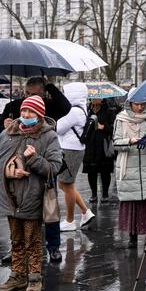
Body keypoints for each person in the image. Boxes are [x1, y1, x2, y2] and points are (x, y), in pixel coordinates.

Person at [0, 95, 63, 291]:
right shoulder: (7, 134)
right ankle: (17, 275)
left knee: (33, 240)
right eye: (23, 111)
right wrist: (11, 171)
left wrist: (34, 158)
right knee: (16, 239)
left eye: (31, 112)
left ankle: (35, 277)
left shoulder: (48, 136)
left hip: (32, 197)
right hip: (10, 197)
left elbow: (54, 168)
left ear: (39, 115)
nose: (26, 115)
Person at [113, 98, 146, 248]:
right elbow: (115, 142)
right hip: (128, 168)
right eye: (136, 104)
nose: (139, 107)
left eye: (142, 104)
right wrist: (130, 141)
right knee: (131, 203)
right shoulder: (120, 119)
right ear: (130, 104)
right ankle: (132, 236)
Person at [57, 82, 95, 232]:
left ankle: (70, 220)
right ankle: (86, 212)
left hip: (71, 150)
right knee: (65, 184)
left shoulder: (74, 111)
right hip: (71, 149)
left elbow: (58, 128)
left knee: (66, 185)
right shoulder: (79, 109)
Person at [82, 98, 116, 205]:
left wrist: (104, 126)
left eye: (98, 98)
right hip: (90, 145)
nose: (95, 100)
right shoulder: (86, 111)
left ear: (102, 99)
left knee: (105, 171)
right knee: (91, 172)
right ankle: (94, 194)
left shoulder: (109, 111)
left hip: (104, 145)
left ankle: (105, 194)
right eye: (93, 98)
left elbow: (114, 128)